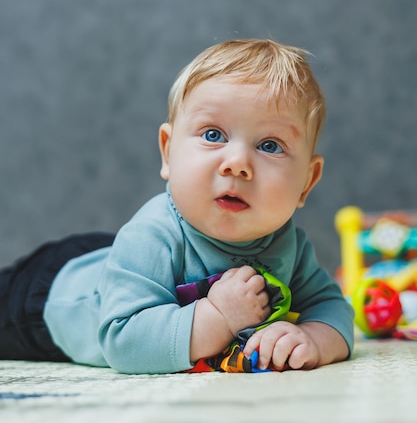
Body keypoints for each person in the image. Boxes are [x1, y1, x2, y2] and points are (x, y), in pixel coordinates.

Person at [0, 39, 354, 374]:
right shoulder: (150, 237)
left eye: (270, 145)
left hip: (111, 259)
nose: (237, 163)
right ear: (168, 152)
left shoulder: (289, 244)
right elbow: (123, 341)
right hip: (45, 299)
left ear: (307, 182)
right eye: (213, 135)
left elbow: (333, 308)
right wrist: (218, 316)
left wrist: (313, 339)